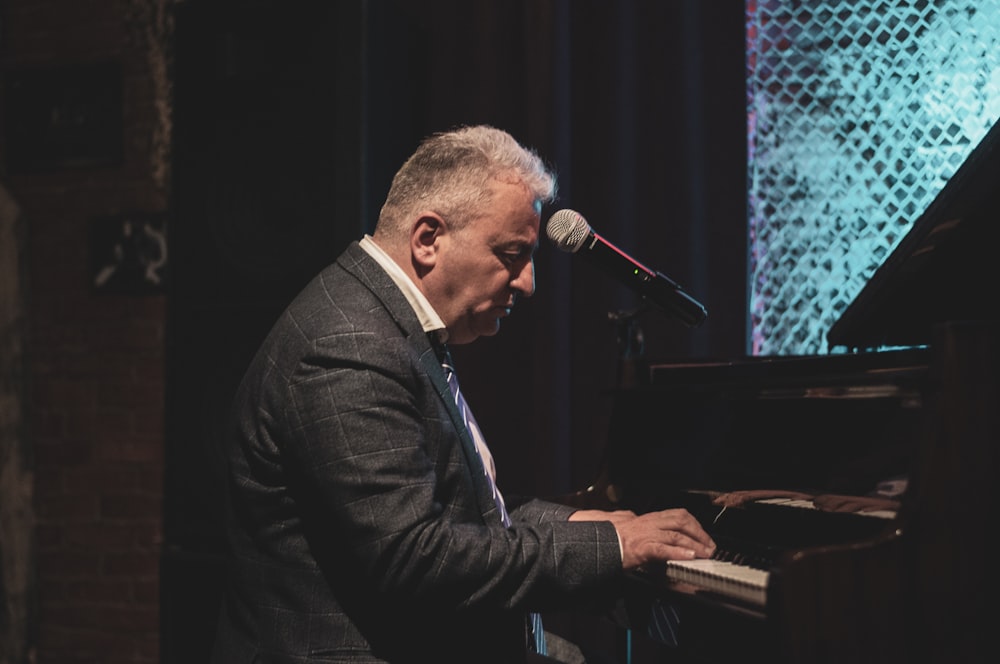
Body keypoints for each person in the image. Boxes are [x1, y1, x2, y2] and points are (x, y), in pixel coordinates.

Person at [209, 124, 717, 664]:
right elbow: (414, 559)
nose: (527, 283)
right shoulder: (350, 345)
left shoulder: (390, 320)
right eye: (511, 254)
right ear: (428, 239)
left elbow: (458, 512)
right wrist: (613, 548)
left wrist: (578, 525)